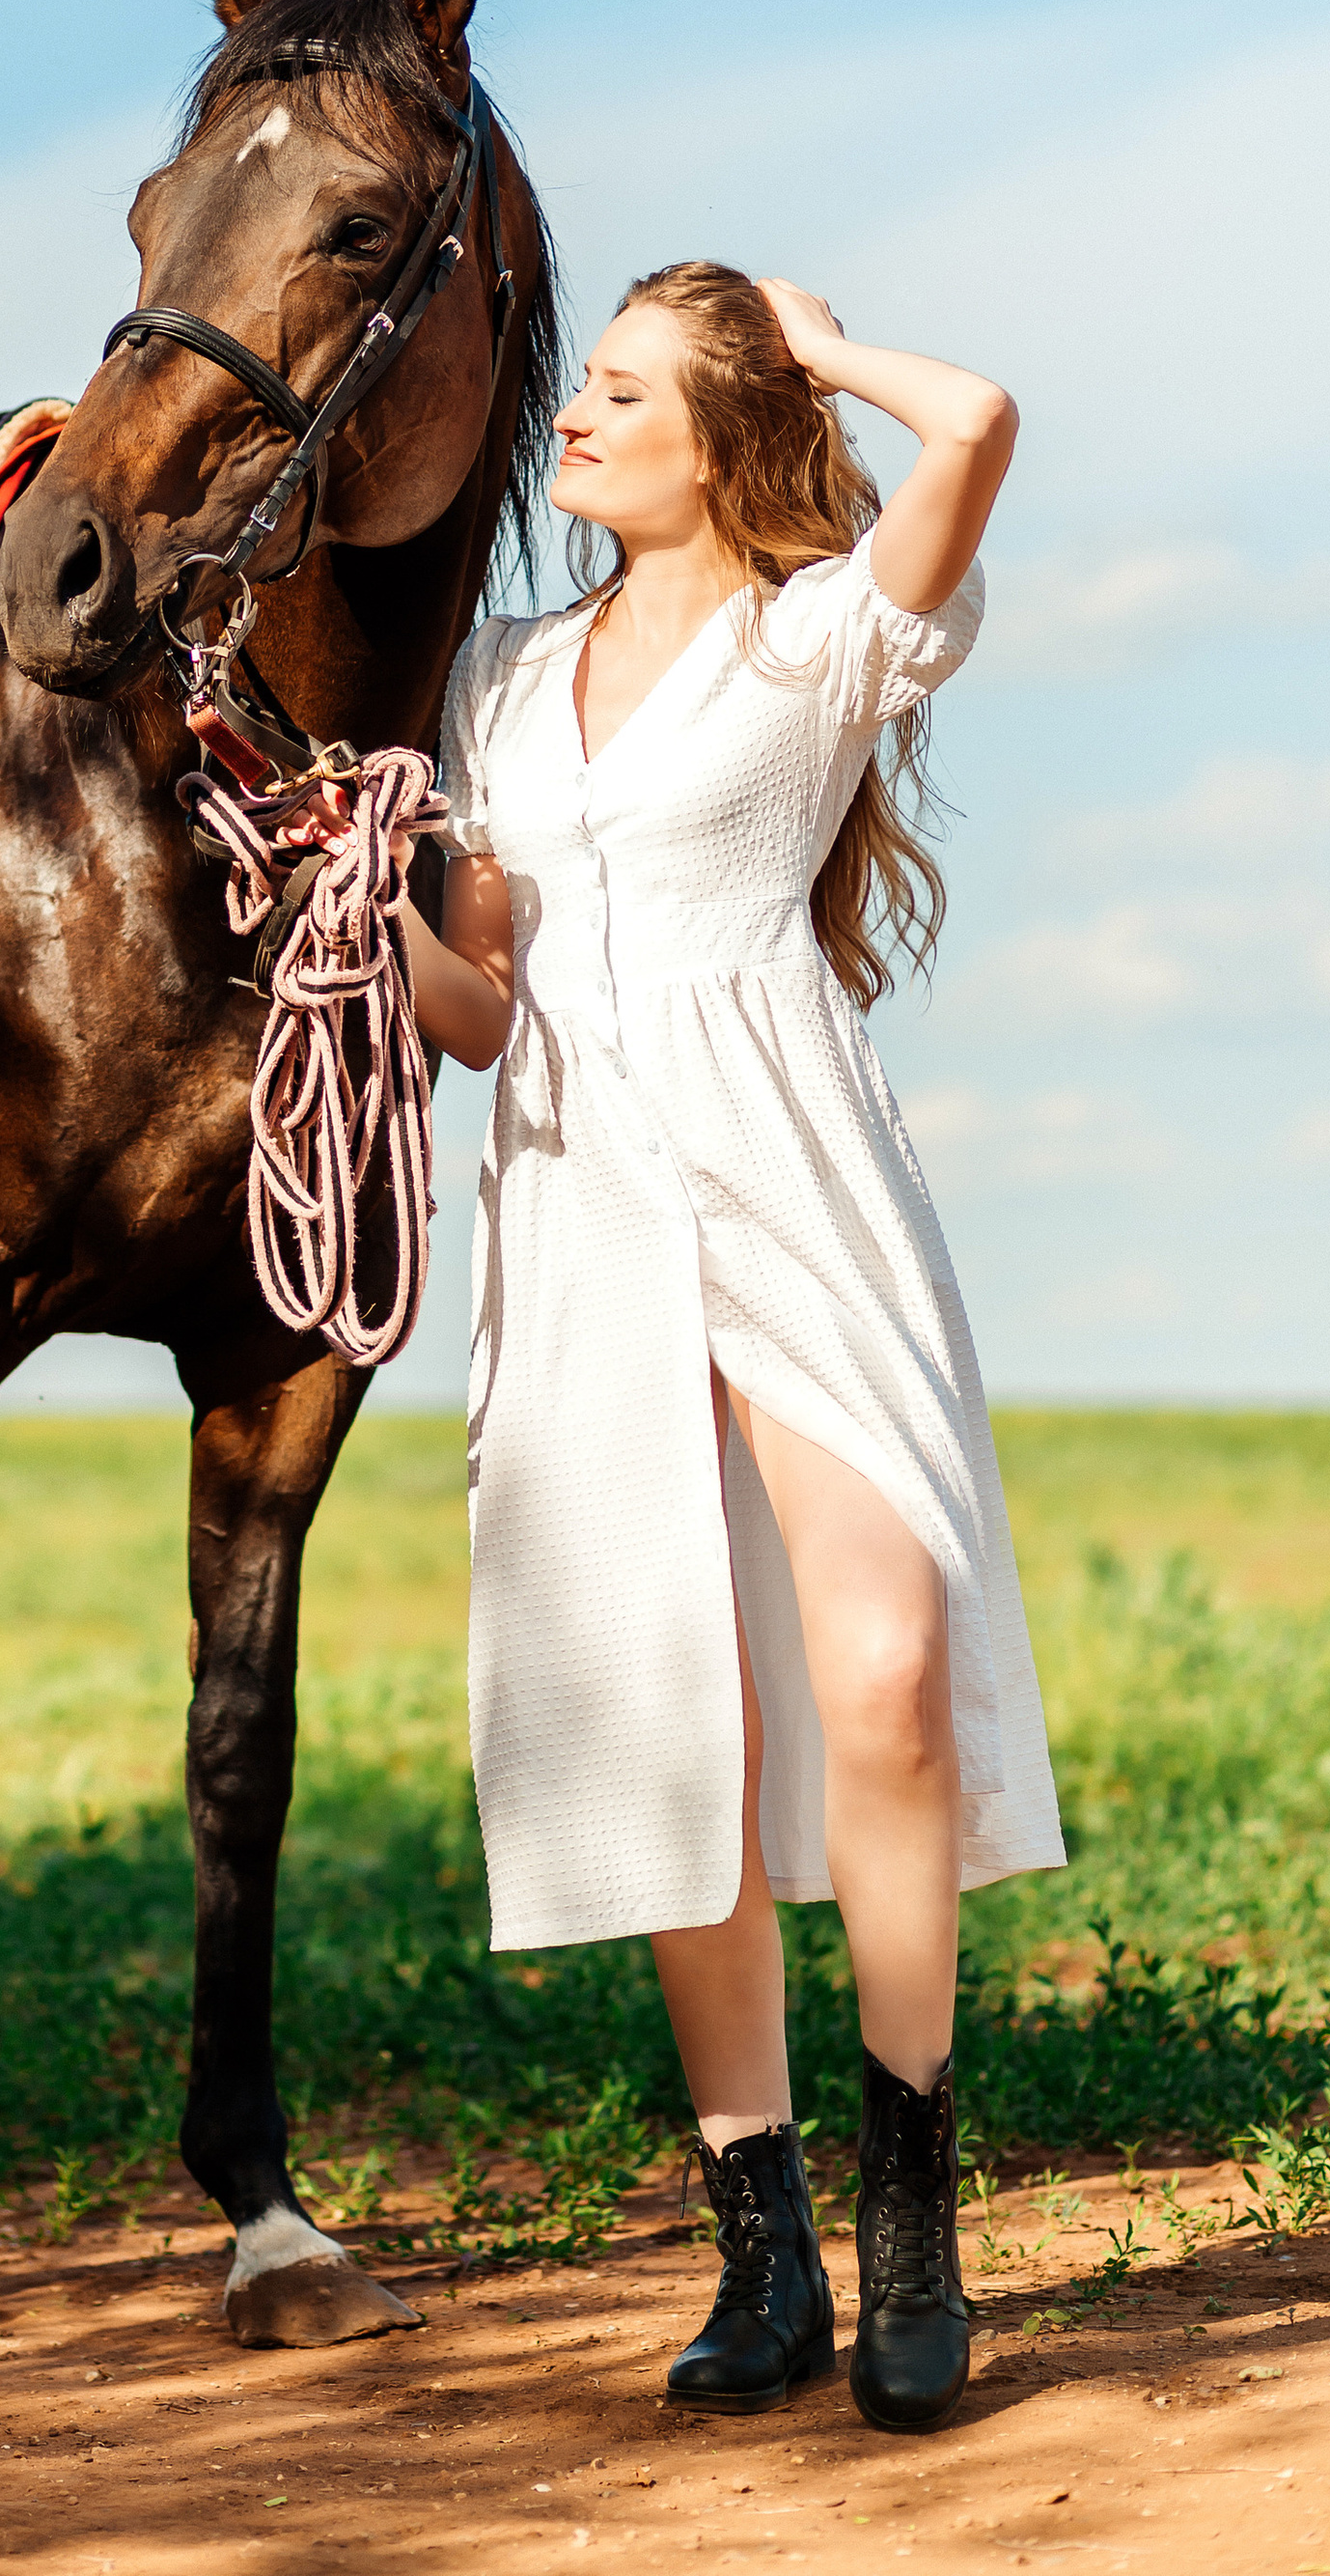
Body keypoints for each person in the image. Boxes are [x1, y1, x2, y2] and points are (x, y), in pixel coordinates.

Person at [401, 261, 1062, 2437]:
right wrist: (362, 922)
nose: (567, 419)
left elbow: (970, 425)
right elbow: (479, 1008)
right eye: (576, 387)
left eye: (616, 394)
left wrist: (815, 332)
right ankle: (759, 2246)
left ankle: (912, 2218)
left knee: (874, 1670)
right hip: (574, 1189)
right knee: (670, 1699)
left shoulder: (814, 639)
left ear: (719, 435)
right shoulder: (493, 680)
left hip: (788, 1177)